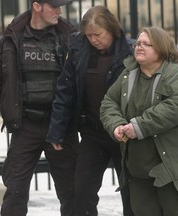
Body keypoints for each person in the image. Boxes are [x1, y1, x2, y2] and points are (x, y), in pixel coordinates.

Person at [100, 26, 178, 216]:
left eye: (147, 44)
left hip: (177, 169)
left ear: (162, 48)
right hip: (140, 171)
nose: (139, 47)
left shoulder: (175, 74)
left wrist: (140, 125)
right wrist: (116, 124)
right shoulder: (128, 75)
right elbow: (109, 102)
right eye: (138, 43)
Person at [45, 5, 134, 216]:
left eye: (98, 34)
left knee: (131, 192)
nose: (93, 39)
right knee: (82, 189)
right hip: (93, 133)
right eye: (89, 35)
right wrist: (56, 131)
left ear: (111, 29)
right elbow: (65, 92)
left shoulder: (130, 51)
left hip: (125, 135)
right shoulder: (78, 50)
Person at [0, 0, 79, 216]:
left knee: (72, 191)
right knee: (15, 190)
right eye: (54, 6)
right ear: (37, 6)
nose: (60, 11)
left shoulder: (70, 37)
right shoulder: (11, 38)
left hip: (60, 126)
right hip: (26, 125)